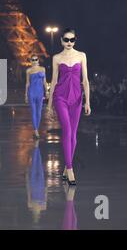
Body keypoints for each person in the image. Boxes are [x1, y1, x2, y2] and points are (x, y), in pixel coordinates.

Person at [47, 29, 91, 185]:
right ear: (61, 40)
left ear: (75, 40)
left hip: (77, 98)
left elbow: (85, 80)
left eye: (72, 40)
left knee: (73, 135)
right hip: (61, 97)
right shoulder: (57, 58)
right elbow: (53, 81)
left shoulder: (81, 56)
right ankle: (70, 169)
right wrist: (49, 104)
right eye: (66, 39)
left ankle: (66, 167)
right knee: (67, 131)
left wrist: (88, 102)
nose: (69, 43)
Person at [25, 55, 48, 138]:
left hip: (40, 92)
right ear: (30, 61)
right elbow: (27, 83)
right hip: (31, 92)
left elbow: (44, 81)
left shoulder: (42, 69)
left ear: (38, 60)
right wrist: (25, 95)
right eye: (33, 59)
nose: (34, 61)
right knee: (34, 112)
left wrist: (47, 91)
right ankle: (36, 131)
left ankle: (36, 129)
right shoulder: (28, 70)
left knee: (39, 112)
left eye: (36, 59)